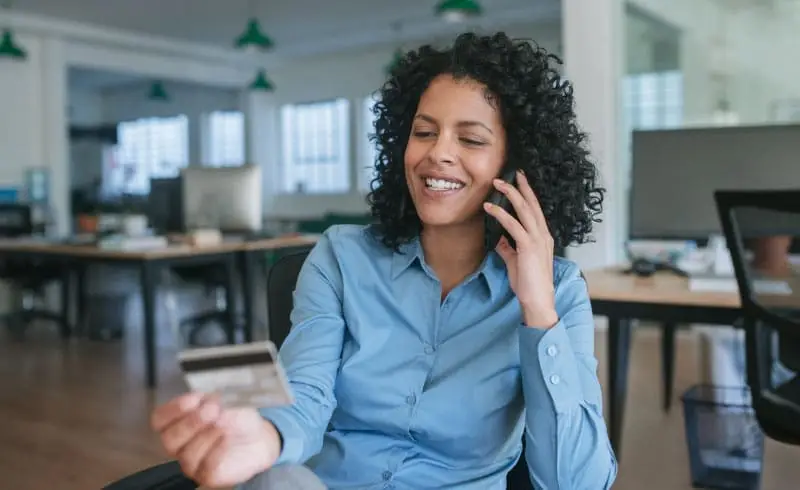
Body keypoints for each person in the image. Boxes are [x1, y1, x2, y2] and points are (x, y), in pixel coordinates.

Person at [151, 32, 617, 489]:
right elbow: (306, 390)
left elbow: (575, 481)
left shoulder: (560, 291)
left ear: (517, 167)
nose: (438, 153)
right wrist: (266, 436)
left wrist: (538, 313)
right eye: (424, 132)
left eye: (471, 140)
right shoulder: (340, 256)